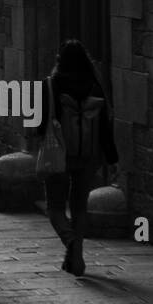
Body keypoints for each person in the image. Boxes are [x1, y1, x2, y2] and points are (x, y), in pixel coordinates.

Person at [35, 38, 118, 278]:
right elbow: (105, 127)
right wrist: (112, 159)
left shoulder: (50, 85)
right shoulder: (94, 86)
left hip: (59, 155)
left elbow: (40, 124)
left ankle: (70, 242)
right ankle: (77, 258)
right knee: (80, 206)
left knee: (55, 207)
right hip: (88, 155)